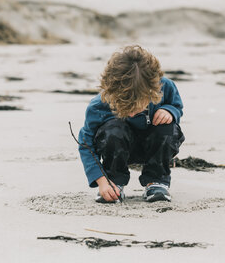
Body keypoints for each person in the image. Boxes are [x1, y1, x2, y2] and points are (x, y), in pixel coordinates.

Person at [78, 45, 185, 203]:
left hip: (154, 145)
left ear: (153, 90)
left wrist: (169, 111)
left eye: (138, 106)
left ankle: (156, 182)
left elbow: (177, 106)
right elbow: (86, 143)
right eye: (124, 107)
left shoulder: (164, 87)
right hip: (117, 147)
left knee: (168, 127)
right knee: (112, 130)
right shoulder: (99, 105)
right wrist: (101, 181)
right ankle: (114, 182)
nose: (132, 114)